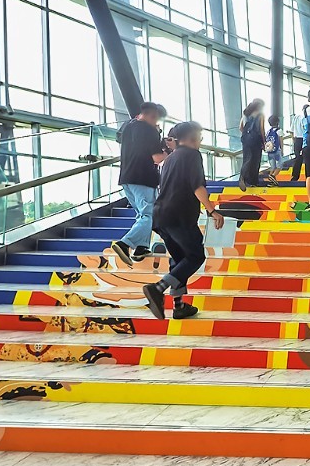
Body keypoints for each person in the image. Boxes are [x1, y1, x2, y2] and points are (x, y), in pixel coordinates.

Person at [142, 121, 224, 321]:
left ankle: (179, 306)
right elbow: (197, 187)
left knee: (179, 260)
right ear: (193, 137)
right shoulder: (192, 155)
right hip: (179, 216)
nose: (200, 141)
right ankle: (157, 288)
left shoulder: (170, 159)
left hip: (162, 216)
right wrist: (212, 211)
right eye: (200, 137)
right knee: (196, 256)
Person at [111, 102, 167, 266]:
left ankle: (142, 247)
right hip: (143, 177)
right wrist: (172, 152)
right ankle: (124, 243)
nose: (156, 122)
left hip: (126, 178)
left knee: (141, 214)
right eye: (156, 118)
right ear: (152, 115)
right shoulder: (149, 130)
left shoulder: (128, 126)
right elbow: (157, 158)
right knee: (149, 214)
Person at [238, 99, 266, 191]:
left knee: (247, 158)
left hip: (246, 139)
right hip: (256, 140)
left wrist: (247, 135)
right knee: (256, 160)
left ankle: (243, 177)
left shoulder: (246, 114)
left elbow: (240, 127)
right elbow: (261, 129)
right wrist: (264, 141)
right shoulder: (260, 114)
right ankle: (253, 181)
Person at [264, 114, 284, 186]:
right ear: (278, 122)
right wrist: (282, 150)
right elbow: (281, 140)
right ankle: (272, 176)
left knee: (273, 167)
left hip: (270, 152)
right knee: (280, 165)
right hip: (277, 151)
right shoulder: (279, 130)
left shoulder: (268, 132)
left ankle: (271, 182)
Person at [288, 106, 306, 183]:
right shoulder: (305, 117)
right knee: (307, 158)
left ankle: (294, 176)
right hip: (304, 139)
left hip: (297, 140)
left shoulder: (295, 117)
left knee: (297, 158)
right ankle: (309, 175)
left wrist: (294, 140)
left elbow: (291, 131)